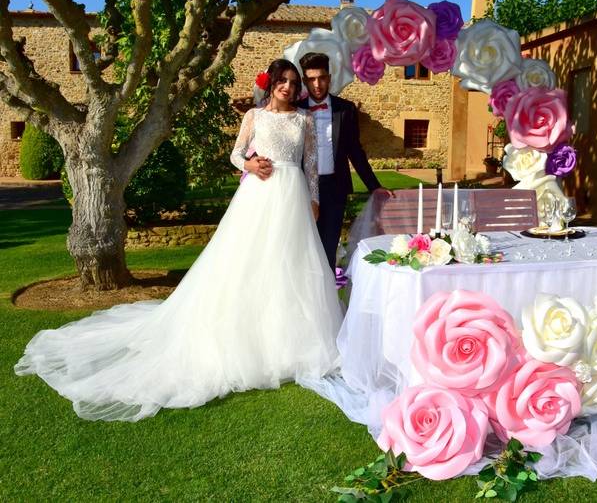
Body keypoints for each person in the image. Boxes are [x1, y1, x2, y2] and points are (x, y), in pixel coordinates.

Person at [14, 59, 342, 422]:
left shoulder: (304, 120)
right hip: (260, 198)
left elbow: (310, 164)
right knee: (249, 264)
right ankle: (247, 340)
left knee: (293, 267)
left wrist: (313, 199)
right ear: (271, 83)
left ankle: (291, 343)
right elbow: (236, 153)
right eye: (282, 80)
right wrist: (248, 166)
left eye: (293, 82)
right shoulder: (254, 116)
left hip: (293, 197)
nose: (288, 87)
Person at [296, 52, 392, 270]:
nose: (317, 84)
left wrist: (374, 187)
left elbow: (355, 151)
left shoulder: (345, 109)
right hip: (302, 189)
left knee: (329, 250)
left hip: (334, 189)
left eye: (321, 78)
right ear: (304, 81)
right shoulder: (296, 109)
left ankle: (325, 301)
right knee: (303, 251)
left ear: (329, 78)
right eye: (311, 79)